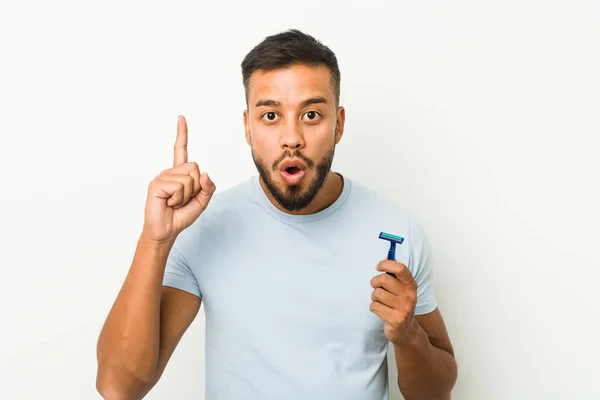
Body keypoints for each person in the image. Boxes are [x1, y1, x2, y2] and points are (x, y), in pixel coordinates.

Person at [96, 29, 457, 400]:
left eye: (312, 114)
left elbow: (436, 392)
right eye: (270, 115)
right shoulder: (207, 225)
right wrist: (154, 240)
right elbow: (119, 387)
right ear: (247, 128)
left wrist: (408, 335)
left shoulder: (397, 231)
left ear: (339, 125)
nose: (292, 137)